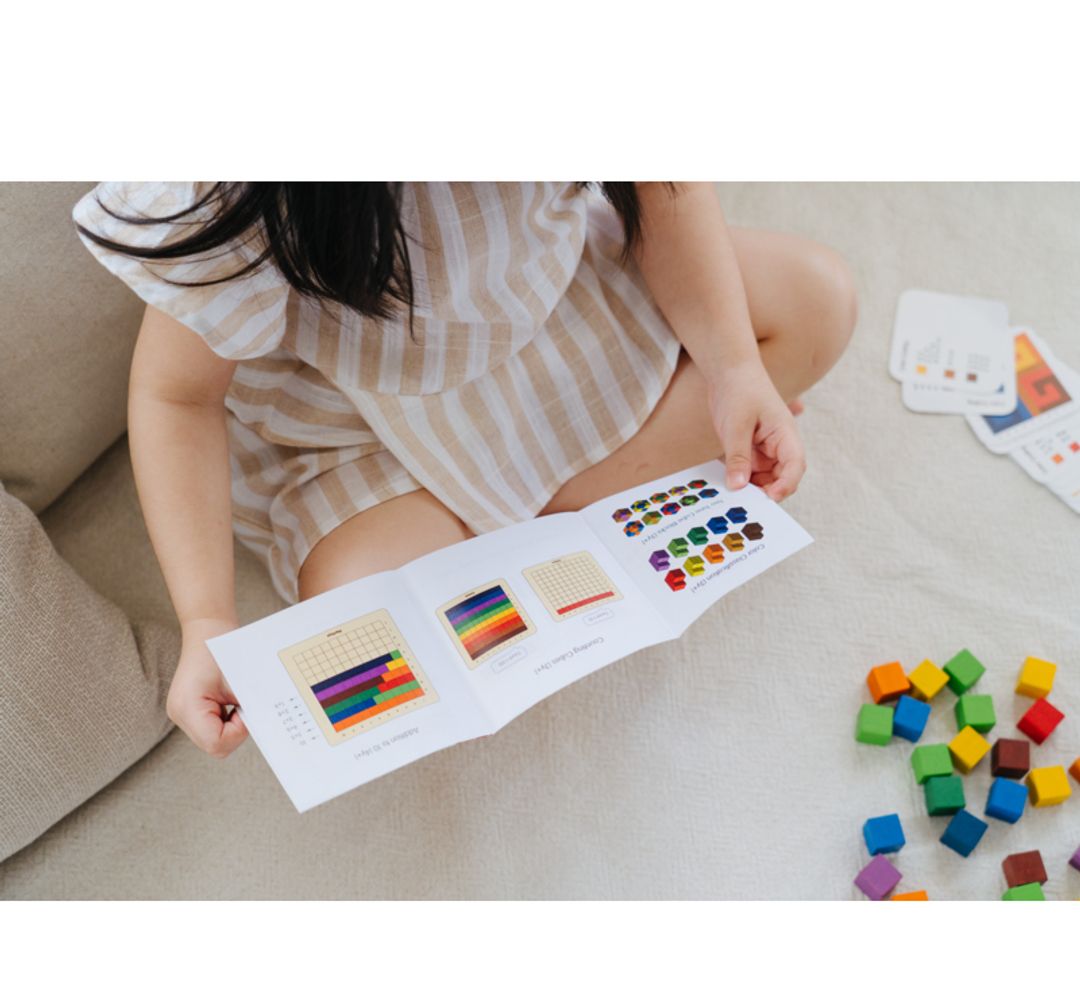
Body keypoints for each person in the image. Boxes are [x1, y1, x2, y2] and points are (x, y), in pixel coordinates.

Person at [73, 181, 856, 759]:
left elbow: (666, 197)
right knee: (364, 631)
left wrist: (732, 368)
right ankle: (560, 519)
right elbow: (175, 397)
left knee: (820, 299)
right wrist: (207, 620)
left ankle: (551, 516)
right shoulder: (239, 184)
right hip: (363, 422)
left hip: (559, 308)